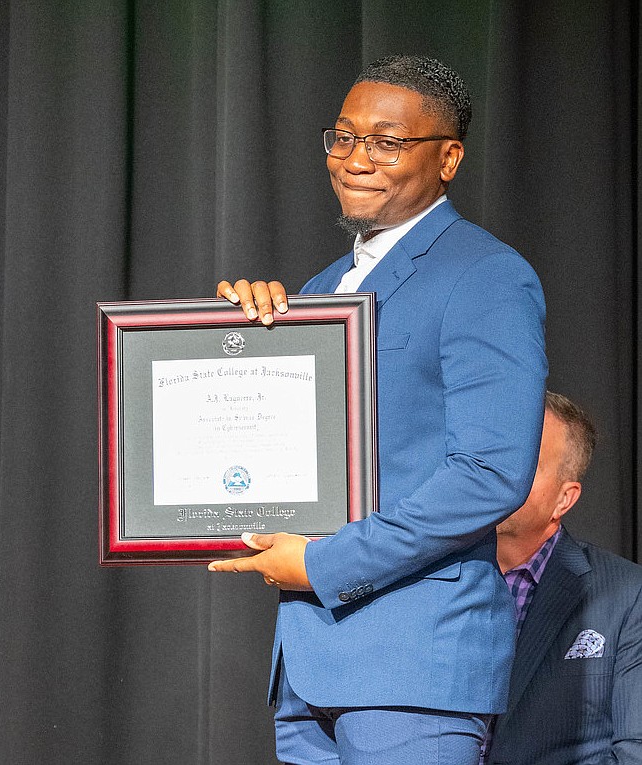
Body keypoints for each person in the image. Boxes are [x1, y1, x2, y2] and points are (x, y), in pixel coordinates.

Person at [208, 55, 548, 764]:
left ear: (448, 157)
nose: (356, 158)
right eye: (343, 137)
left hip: (414, 667)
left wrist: (327, 562)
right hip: (308, 667)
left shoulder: (486, 275)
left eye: (387, 142)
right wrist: (231, 345)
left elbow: (488, 473)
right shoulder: (320, 288)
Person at [485, 392, 642, 764]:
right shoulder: (434, 578)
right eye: (494, 456)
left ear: (564, 499)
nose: (499, 474)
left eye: (526, 462)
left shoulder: (625, 595)